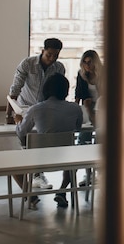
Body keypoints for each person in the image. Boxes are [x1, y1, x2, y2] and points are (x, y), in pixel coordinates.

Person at [14, 74, 83, 209]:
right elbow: (77, 128)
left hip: (39, 160)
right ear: (65, 90)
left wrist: (18, 121)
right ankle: (62, 191)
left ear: (45, 90)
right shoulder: (75, 108)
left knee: (12, 167)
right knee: (72, 158)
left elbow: (21, 133)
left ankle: (30, 196)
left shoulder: (35, 109)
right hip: (66, 158)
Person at [7, 37, 66, 190]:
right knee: (26, 142)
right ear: (42, 51)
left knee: (41, 142)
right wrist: (8, 114)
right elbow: (15, 90)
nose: (52, 59)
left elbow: (59, 90)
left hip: (45, 110)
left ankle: (38, 175)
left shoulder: (59, 68)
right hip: (25, 108)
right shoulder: (28, 63)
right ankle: (33, 175)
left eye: (56, 55)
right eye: (49, 55)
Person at [75, 50, 104, 127]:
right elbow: (78, 92)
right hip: (88, 105)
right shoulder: (81, 74)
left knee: (100, 128)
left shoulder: (104, 72)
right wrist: (75, 108)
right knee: (86, 130)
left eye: (89, 62)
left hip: (102, 105)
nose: (87, 65)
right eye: (84, 62)